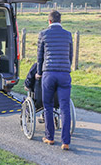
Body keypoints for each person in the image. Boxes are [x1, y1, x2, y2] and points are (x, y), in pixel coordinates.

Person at [36, 10, 73, 150]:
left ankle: (50, 138)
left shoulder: (43, 34)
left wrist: (39, 73)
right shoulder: (68, 34)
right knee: (65, 108)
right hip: (64, 74)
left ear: (49, 21)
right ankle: (65, 142)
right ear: (60, 21)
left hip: (49, 74)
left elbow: (40, 57)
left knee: (48, 106)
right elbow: (70, 56)